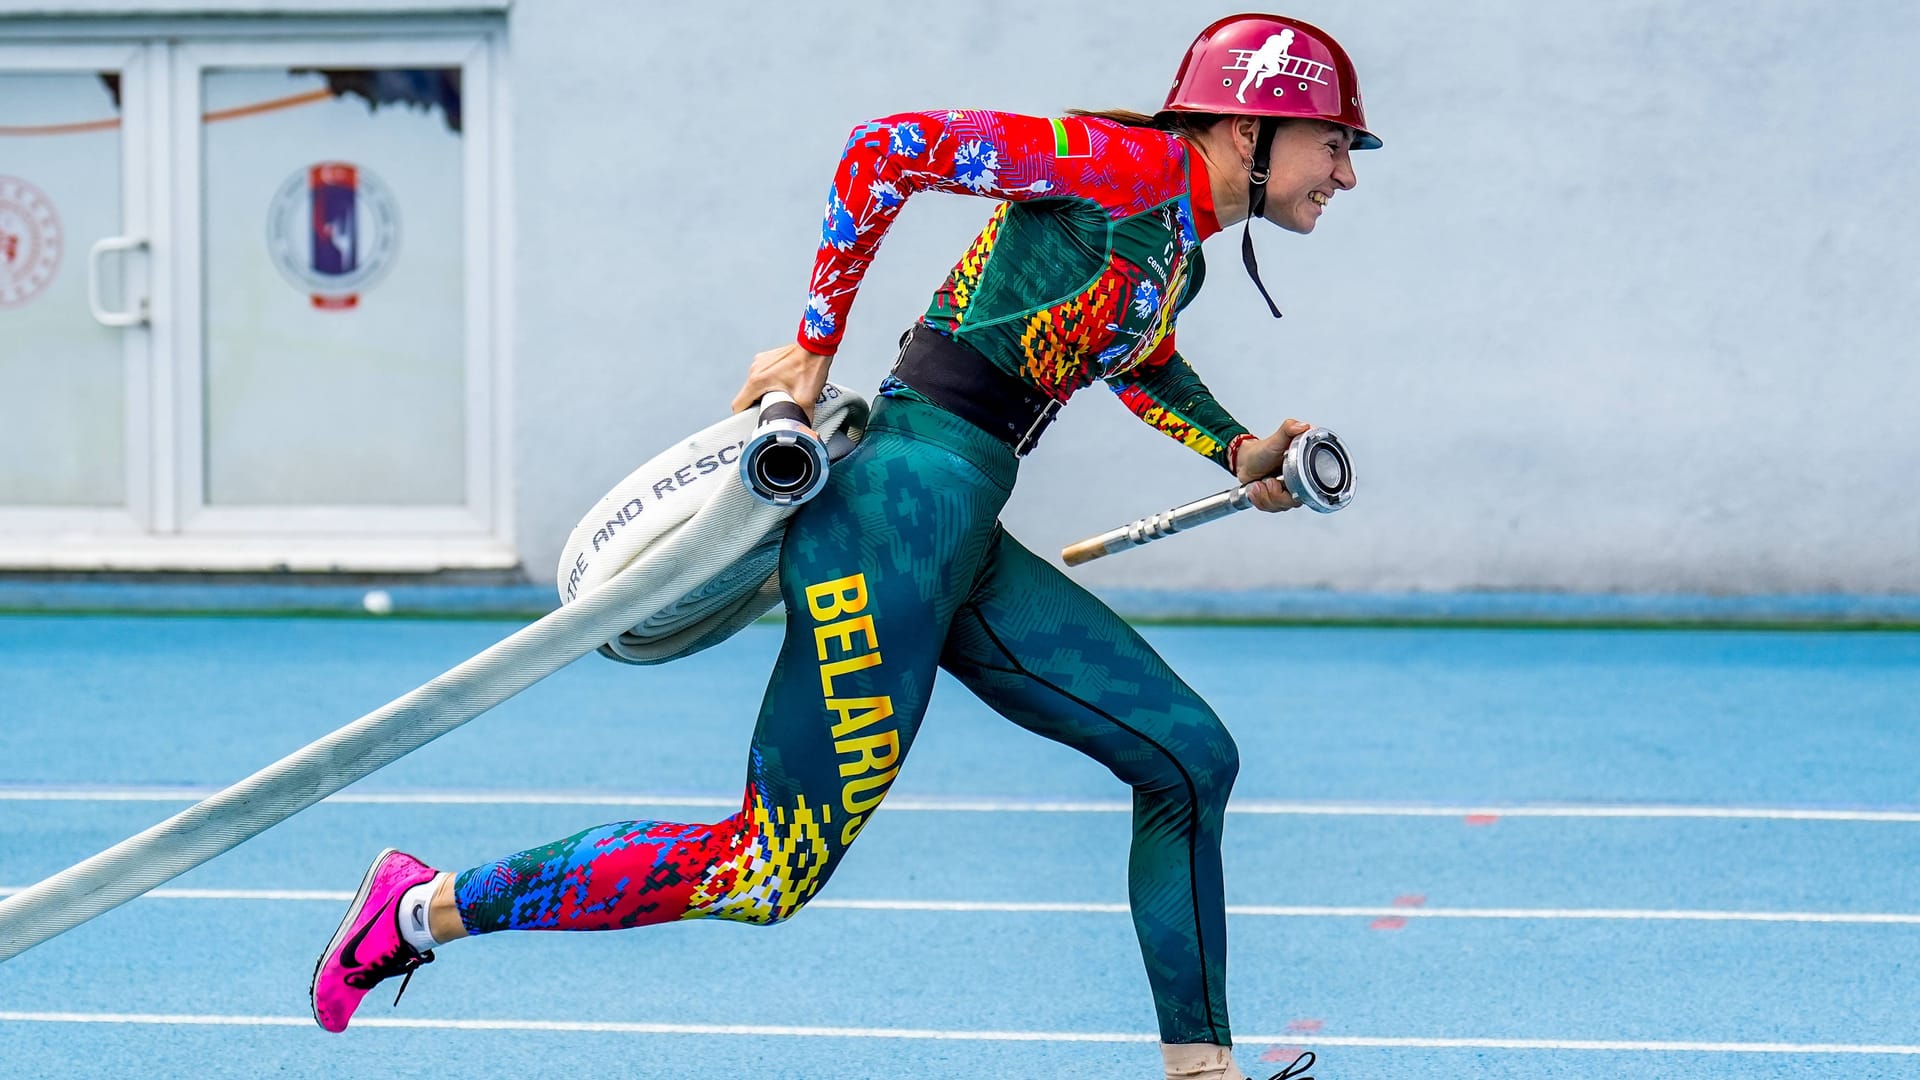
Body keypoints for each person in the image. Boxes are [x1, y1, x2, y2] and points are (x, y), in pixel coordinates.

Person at [309, 13, 1378, 1080]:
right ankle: (414, 911)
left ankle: (1200, 1072)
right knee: (765, 871)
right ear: (1251, 125)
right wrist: (813, 344)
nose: (1346, 174)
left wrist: (1237, 448)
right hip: (896, 510)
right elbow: (888, 149)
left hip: (952, 530)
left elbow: (1133, 354)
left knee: (1191, 760)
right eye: (1334, 143)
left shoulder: (1176, 252)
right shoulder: (1119, 162)